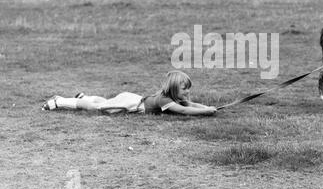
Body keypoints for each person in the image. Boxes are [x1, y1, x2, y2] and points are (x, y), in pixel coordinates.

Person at [41, 71, 217, 116]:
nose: (188, 92)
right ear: (173, 89)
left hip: (133, 98)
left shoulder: (173, 97)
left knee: (108, 101)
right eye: (185, 88)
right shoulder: (165, 100)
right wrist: (206, 111)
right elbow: (185, 111)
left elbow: (190, 105)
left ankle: (84, 97)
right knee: (98, 108)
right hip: (132, 104)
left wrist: (208, 108)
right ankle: (61, 101)